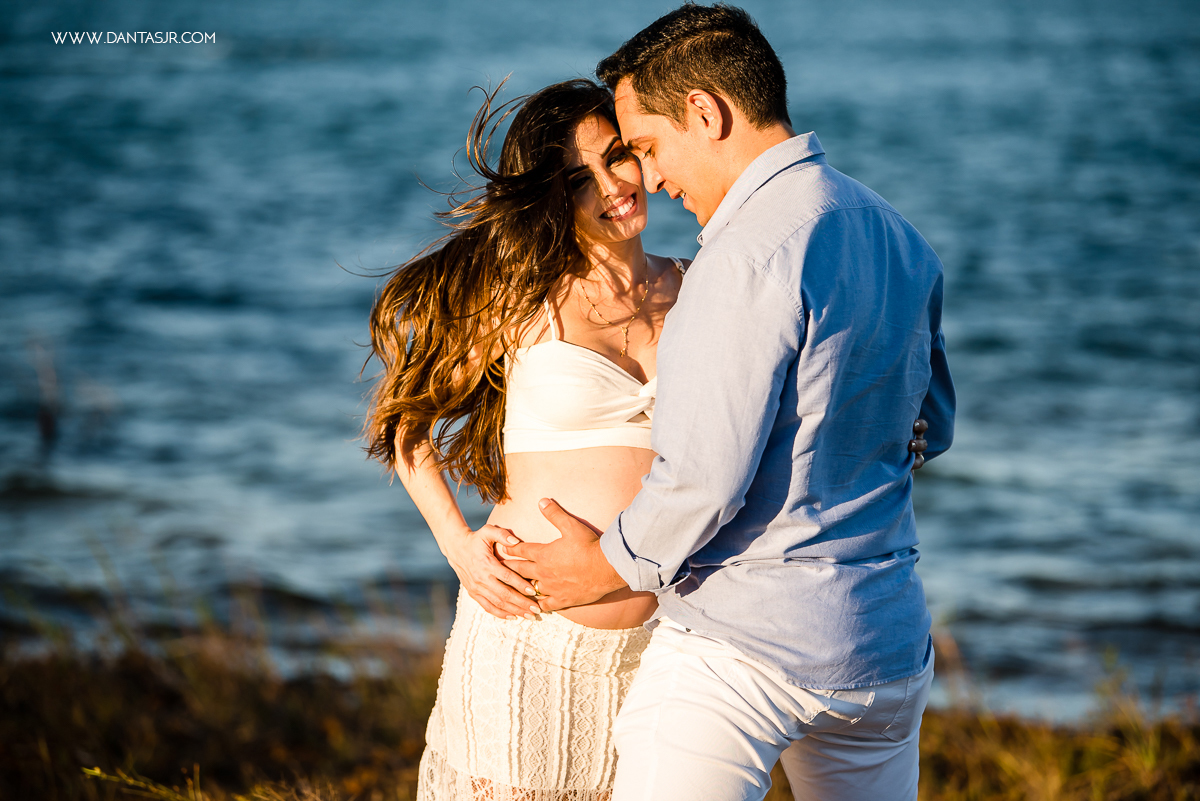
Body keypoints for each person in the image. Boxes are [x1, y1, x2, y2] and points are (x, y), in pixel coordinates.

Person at [501, 5, 956, 801]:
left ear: (705, 113)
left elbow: (703, 480)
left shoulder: (743, 254)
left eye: (645, 146)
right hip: (884, 648)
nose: (654, 178)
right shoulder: (898, 234)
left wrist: (603, 566)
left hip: (745, 651)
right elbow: (932, 422)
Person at [364, 78, 689, 801]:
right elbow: (405, 424)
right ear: (550, 196)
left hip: (663, 651)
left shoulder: (698, 287)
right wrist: (457, 546)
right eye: (580, 179)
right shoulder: (518, 300)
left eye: (618, 157)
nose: (612, 186)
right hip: (527, 643)